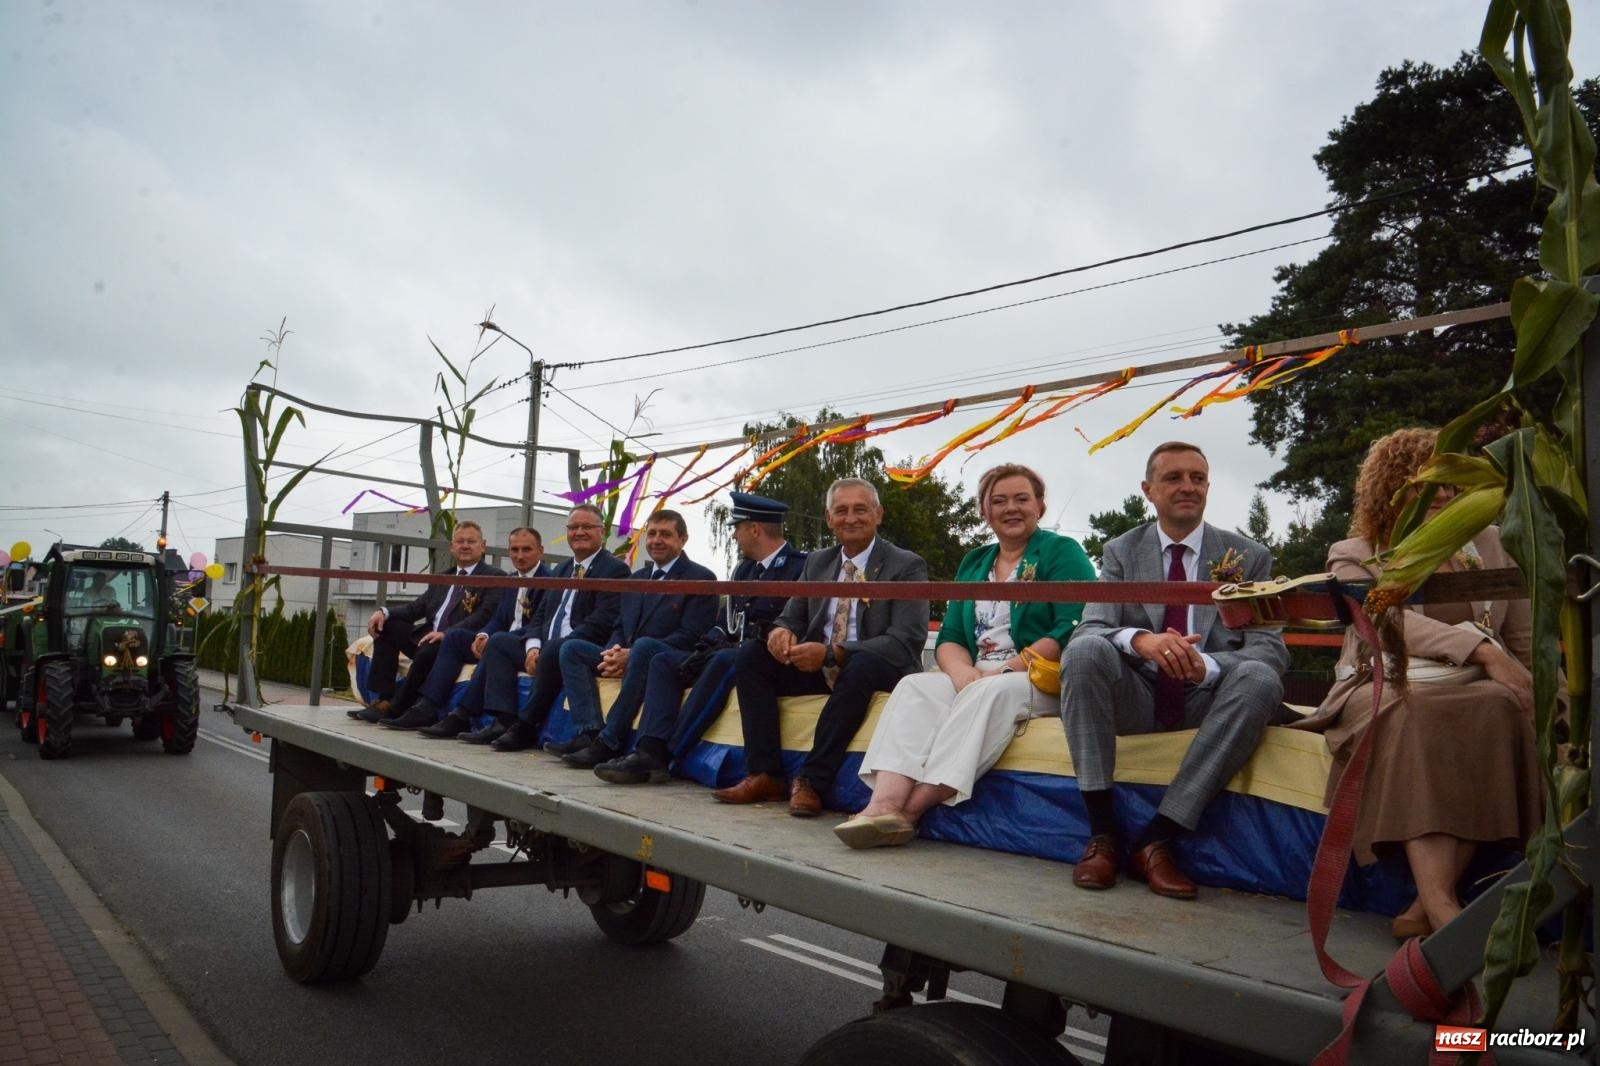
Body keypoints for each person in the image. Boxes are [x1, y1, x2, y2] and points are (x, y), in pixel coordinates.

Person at [1290, 427, 1541, 939]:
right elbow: (1385, 622)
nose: (1444, 494)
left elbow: (1523, 635)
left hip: (1477, 685)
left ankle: (1426, 907)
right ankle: (1444, 905)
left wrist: (1546, 691)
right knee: (1420, 713)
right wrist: (1481, 651)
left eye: (1451, 483)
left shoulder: (1492, 542)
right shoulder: (1355, 550)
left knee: (1502, 705)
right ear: (1391, 489)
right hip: (1384, 683)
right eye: (1427, 483)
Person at [1061, 441, 1287, 900]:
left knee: (1261, 678)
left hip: (1210, 701)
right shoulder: (1121, 550)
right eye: (1174, 478)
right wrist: (1140, 641)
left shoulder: (1249, 556)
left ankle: (1157, 838)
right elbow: (1090, 629)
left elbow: (1269, 650)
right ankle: (1103, 834)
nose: (1188, 487)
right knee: (1083, 653)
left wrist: (1206, 666)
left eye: (1197, 478)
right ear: (1148, 490)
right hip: (1138, 696)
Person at [835, 464, 1094, 848]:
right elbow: (952, 634)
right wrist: (959, 672)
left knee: (988, 693)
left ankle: (909, 812)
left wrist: (1005, 669)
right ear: (985, 511)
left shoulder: (1061, 551)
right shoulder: (975, 560)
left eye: (1022, 499)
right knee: (916, 686)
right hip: (977, 672)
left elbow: (1072, 625)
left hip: (1037, 674)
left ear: (1039, 505)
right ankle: (882, 804)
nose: (1011, 508)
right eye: (999, 501)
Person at [715, 478, 930, 817]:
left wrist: (833, 653)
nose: (851, 518)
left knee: (859, 666)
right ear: (829, 519)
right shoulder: (817, 562)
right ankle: (766, 774)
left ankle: (813, 781)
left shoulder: (906, 565)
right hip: (821, 667)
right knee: (752, 655)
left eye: (861, 509)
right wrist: (781, 634)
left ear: (878, 515)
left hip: (878, 669)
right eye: (841, 511)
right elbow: (791, 616)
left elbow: (905, 641)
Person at [592, 491, 808, 785]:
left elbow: (796, 623)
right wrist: (701, 649)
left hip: (763, 659)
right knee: (665, 661)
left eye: (736, 528)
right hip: (728, 650)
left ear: (754, 529)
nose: (734, 536)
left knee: (726, 660)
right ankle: (648, 747)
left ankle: (667, 753)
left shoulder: (800, 567)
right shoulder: (744, 569)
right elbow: (725, 622)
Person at [536, 510, 720, 763]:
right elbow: (621, 626)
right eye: (652, 534)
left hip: (671, 659)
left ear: (683, 539)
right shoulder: (637, 579)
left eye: (665, 534)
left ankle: (609, 741)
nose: (656, 540)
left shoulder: (701, 578)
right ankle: (588, 732)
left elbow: (691, 636)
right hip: (630, 655)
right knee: (571, 649)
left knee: (644, 647)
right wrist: (613, 652)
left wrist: (632, 655)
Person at [450, 505, 629, 746]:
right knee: (500, 641)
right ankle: (503, 719)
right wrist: (533, 646)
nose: (579, 532)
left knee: (557, 648)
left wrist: (553, 647)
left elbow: (602, 621)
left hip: (578, 647)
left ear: (602, 532)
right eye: (573, 527)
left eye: (587, 527)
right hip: (546, 645)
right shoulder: (562, 570)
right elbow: (540, 615)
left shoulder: (615, 569)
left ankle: (525, 727)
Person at [383, 526, 550, 730]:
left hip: (523, 644)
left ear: (540, 551)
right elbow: (498, 618)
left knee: (491, 644)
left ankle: (462, 715)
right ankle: (426, 708)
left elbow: (540, 624)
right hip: (499, 640)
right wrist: (483, 634)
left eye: (527, 549)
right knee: (454, 637)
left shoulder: (550, 580)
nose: (520, 555)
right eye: (515, 550)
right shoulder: (511, 579)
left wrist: (494, 637)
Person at [352, 520, 505, 724]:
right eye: (460, 541)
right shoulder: (444, 577)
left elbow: (484, 616)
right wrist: (384, 611)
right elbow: (416, 608)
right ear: (452, 547)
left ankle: (398, 707)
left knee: (429, 647)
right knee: (385, 627)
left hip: (458, 642)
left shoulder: (495, 577)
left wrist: (448, 632)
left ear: (482, 545)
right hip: (429, 637)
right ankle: (383, 699)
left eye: (471, 541)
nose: (465, 546)